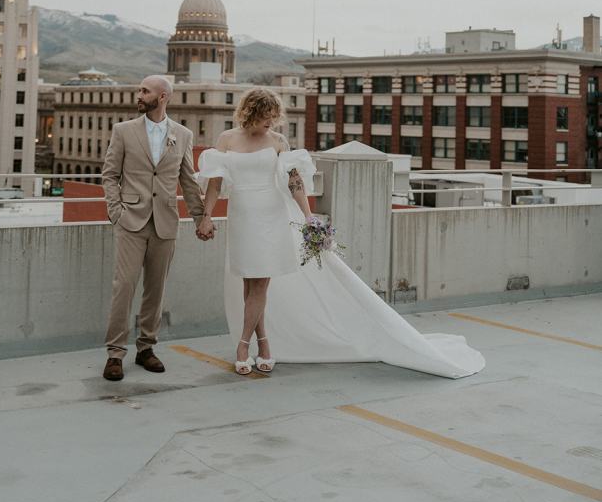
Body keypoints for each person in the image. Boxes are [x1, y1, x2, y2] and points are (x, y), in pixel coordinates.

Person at [196, 87, 485, 379]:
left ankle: (244, 348)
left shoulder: (278, 141)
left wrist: (309, 217)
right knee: (249, 282)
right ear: (252, 112)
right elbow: (215, 185)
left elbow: (295, 183)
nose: (270, 123)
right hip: (243, 216)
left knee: (260, 283)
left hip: (272, 216)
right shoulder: (227, 139)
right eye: (265, 117)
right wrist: (206, 217)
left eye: (273, 117)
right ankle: (264, 344)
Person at [102, 74, 208, 381]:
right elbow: (109, 175)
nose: (139, 94)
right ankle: (115, 353)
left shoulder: (183, 135)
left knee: (155, 290)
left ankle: (146, 348)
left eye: (145, 91)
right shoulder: (123, 131)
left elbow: (187, 180)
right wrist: (115, 211)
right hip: (130, 220)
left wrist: (200, 216)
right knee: (123, 287)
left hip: (165, 221)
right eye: (139, 89)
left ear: (162, 97)